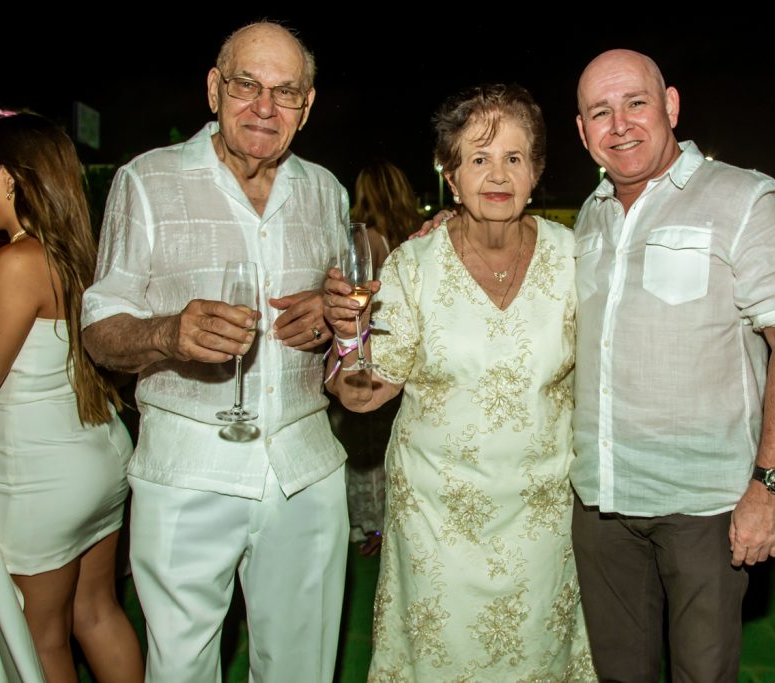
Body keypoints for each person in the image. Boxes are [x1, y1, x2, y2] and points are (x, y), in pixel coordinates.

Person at [81, 22, 349, 682]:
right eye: (246, 85)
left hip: (304, 467)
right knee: (180, 669)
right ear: (213, 88)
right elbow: (100, 327)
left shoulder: (326, 192)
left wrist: (330, 316)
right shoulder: (147, 181)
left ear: (307, 107)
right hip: (186, 467)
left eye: (285, 92)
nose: (264, 106)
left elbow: (347, 319)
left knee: (301, 667)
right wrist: (166, 333)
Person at [325, 84, 595, 681]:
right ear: (451, 176)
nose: (497, 175)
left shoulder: (574, 258)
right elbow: (364, 394)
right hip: (436, 527)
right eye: (478, 159)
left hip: (542, 524)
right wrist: (349, 339)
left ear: (537, 172)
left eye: (514, 158)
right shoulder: (412, 266)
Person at [569, 49, 775, 682]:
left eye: (636, 103)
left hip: (705, 509)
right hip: (602, 502)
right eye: (600, 112)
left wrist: (771, 486)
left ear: (671, 106)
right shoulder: (587, 219)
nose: (620, 124)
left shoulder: (742, 199)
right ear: (582, 131)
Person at [0, 112, 143, 683]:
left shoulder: (17, 262)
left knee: (42, 638)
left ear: (9, 179)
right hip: (97, 458)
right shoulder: (76, 254)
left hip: (39, 477)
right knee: (96, 614)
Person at [329, 159, 419, 555]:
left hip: (366, 354)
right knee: (382, 448)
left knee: (361, 448)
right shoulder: (412, 241)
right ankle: (382, 527)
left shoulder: (369, 241)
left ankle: (366, 527)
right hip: (393, 364)